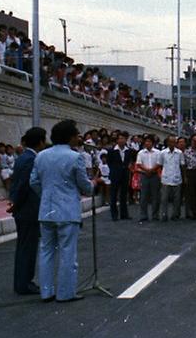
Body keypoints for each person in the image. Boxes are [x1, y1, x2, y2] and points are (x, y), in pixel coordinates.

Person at [30, 120, 100, 303]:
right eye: (76, 135)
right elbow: (85, 186)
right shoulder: (74, 157)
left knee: (46, 251)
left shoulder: (41, 156)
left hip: (46, 209)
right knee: (68, 252)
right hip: (67, 210)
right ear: (70, 136)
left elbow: (34, 182)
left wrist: (46, 195)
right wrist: (93, 184)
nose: (78, 138)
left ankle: (46, 291)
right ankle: (65, 292)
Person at [9, 127, 47, 295]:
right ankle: (24, 283)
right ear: (40, 141)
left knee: (24, 247)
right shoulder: (31, 159)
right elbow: (25, 185)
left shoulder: (23, 157)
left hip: (23, 209)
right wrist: (16, 204)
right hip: (28, 209)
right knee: (28, 248)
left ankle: (21, 281)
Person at [106, 131, 134, 221]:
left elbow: (129, 161)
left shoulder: (128, 151)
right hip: (115, 174)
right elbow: (109, 162)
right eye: (120, 138)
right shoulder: (111, 151)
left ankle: (124, 214)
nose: (121, 140)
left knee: (123, 195)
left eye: (123, 138)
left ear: (126, 140)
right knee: (113, 195)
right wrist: (114, 170)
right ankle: (114, 214)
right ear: (117, 140)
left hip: (125, 174)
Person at [135, 135, 161, 223]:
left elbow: (159, 163)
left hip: (154, 175)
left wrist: (152, 170)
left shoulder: (158, 152)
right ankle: (143, 215)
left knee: (155, 196)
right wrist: (147, 170)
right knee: (143, 196)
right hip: (144, 175)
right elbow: (139, 164)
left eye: (149, 141)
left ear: (153, 143)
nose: (147, 143)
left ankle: (155, 215)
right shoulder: (141, 153)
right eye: (146, 141)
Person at [158, 136, 184, 221]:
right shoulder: (162, 153)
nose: (172, 144)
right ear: (168, 143)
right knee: (164, 198)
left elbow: (182, 165)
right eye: (171, 142)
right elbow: (160, 165)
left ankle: (175, 214)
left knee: (177, 199)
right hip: (166, 178)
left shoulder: (179, 153)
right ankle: (164, 214)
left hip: (177, 177)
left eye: (174, 142)